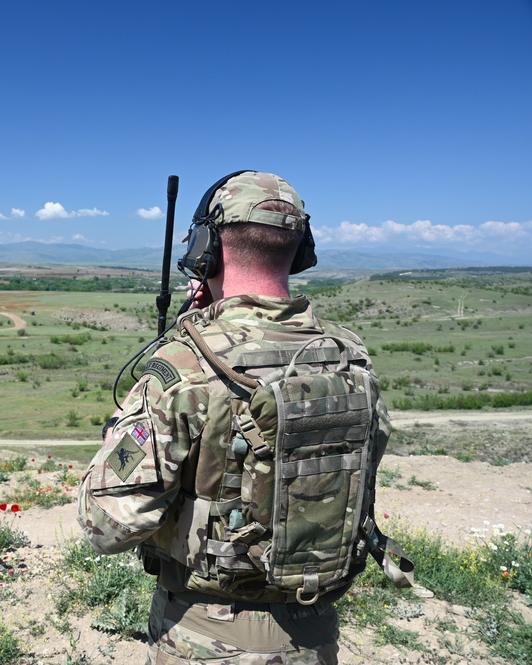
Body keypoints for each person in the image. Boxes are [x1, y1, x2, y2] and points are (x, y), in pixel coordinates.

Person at [77, 171, 395, 664]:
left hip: (203, 637)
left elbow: (107, 526)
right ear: (302, 245)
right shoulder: (348, 356)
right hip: (315, 632)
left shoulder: (185, 366)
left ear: (207, 248)